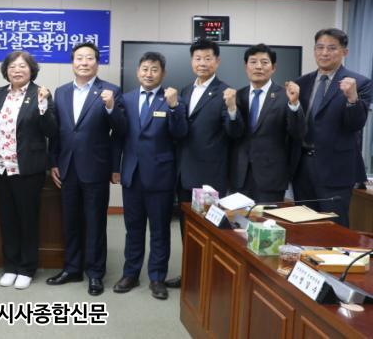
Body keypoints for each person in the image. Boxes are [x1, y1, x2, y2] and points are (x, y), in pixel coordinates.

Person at [47, 42, 126, 296]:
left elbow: (121, 130)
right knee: (70, 221)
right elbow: (56, 132)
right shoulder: (61, 92)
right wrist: (53, 162)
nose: (84, 62)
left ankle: (95, 273)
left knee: (95, 223)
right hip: (67, 167)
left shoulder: (110, 91)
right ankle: (72, 269)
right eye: (79, 58)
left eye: (89, 58)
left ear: (97, 63)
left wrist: (111, 107)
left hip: (96, 167)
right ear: (72, 63)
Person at [167, 38, 242, 289]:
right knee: (187, 228)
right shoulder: (185, 91)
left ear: (217, 61)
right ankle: (190, 275)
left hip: (209, 176)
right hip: (183, 173)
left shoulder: (226, 92)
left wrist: (232, 108)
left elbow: (234, 132)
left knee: (209, 230)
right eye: (198, 58)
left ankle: (210, 280)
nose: (202, 63)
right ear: (192, 61)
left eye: (208, 58)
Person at [113, 52, 187, 300]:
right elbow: (119, 135)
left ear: (163, 74)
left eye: (154, 69)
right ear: (138, 72)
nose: (149, 74)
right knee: (133, 229)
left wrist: (174, 107)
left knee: (159, 231)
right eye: (145, 69)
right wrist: (115, 167)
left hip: (160, 176)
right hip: (132, 174)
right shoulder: (126, 99)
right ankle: (130, 274)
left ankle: (157, 277)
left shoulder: (172, 99)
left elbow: (180, 133)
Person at [0, 51, 57, 290]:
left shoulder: (41, 93)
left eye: (22, 66)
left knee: (27, 220)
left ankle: (27, 268)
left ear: (31, 70)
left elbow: (51, 131)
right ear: (6, 70)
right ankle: (10, 266)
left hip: (28, 169)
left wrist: (43, 106)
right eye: (12, 66)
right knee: (7, 220)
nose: (17, 70)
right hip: (2, 169)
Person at [293, 28, 371, 227]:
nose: (324, 53)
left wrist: (352, 98)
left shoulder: (359, 83)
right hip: (302, 167)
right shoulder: (302, 82)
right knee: (303, 227)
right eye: (320, 47)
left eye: (332, 48)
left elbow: (356, 124)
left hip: (336, 170)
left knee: (334, 228)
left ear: (345, 52)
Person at [230, 44, 306, 202]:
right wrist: (231, 109)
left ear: (273, 68)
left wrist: (294, 104)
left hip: (271, 177)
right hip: (240, 175)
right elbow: (233, 133)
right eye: (253, 62)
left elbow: (297, 133)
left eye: (264, 62)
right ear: (246, 66)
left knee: (267, 218)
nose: (258, 66)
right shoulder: (237, 96)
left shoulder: (285, 96)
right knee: (238, 218)